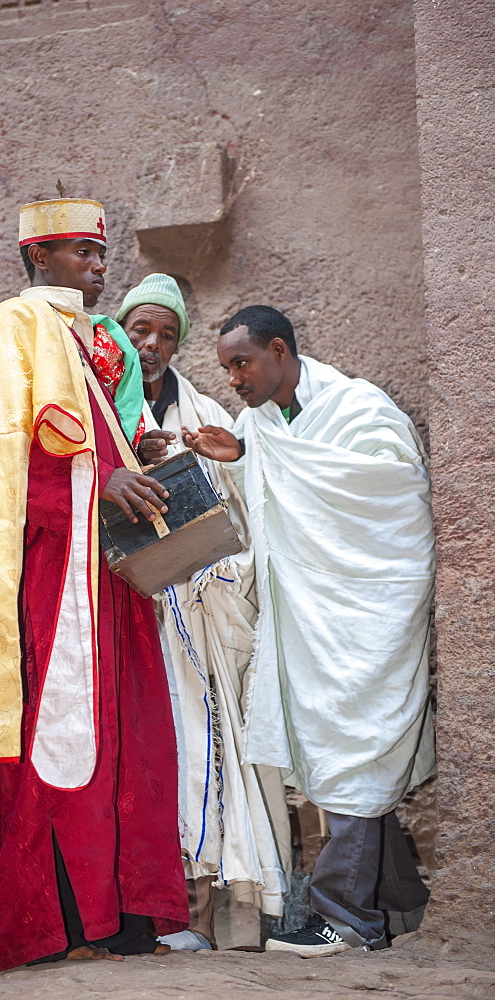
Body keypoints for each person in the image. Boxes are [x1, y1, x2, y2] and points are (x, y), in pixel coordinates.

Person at [0, 199, 189, 973]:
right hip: (38, 583)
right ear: (39, 257)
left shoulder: (88, 343)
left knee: (120, 736)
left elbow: (93, 452)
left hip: (101, 581)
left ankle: (117, 917)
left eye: (101, 254)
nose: (98, 268)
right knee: (52, 729)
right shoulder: (1, 336)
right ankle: (52, 914)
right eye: (81, 253)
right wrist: (97, 487)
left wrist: (134, 466)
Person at [182, 304, 435, 957]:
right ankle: (396, 907)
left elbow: (390, 494)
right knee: (347, 753)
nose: (234, 379)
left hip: (367, 611)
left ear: (277, 350)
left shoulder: (359, 409)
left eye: (241, 363)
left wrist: (266, 462)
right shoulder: (256, 425)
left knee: (357, 745)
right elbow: (260, 509)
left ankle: (346, 917)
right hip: (306, 617)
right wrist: (239, 458)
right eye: (226, 369)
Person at [115, 277, 292, 951]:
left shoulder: (201, 413)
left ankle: (203, 916)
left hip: (197, 615)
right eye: (140, 331)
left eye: (165, 334)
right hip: (128, 617)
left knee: (204, 753)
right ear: (119, 335)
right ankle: (145, 918)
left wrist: (216, 566)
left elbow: (244, 516)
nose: (152, 345)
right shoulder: (99, 410)